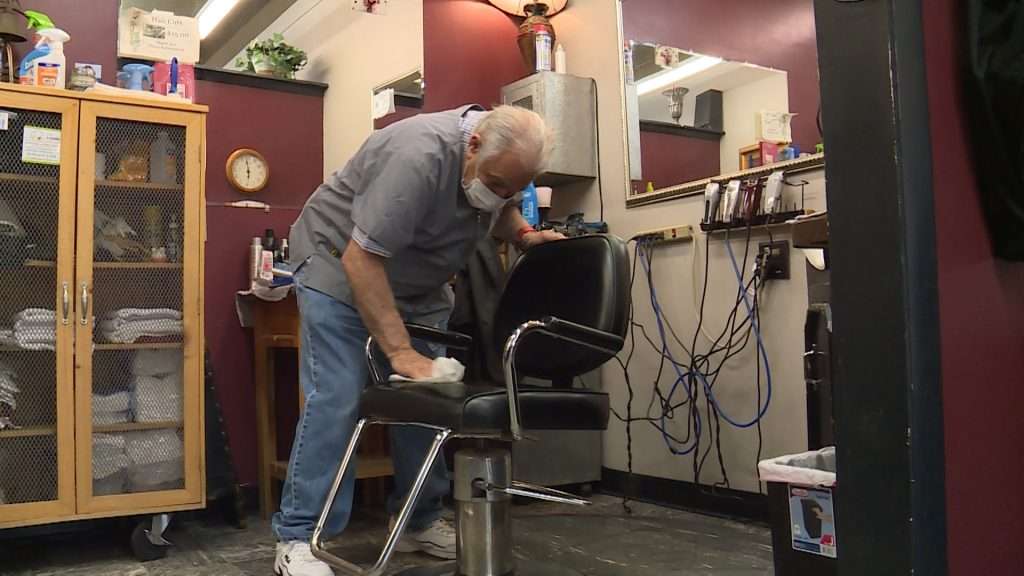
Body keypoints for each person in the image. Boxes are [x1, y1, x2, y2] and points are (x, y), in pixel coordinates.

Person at [273, 104, 562, 576]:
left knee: (430, 397)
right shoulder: (418, 155)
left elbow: (501, 202)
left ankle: (417, 521)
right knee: (340, 394)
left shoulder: (493, 163)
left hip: (416, 284)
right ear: (472, 146)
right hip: (337, 263)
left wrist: (524, 234)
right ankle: (301, 536)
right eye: (492, 182)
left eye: (509, 188)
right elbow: (361, 259)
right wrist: (402, 355)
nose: (496, 195)